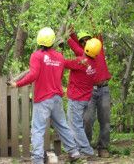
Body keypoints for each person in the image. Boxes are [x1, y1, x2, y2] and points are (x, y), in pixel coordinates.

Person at [8, 27, 80, 164]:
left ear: (39, 40)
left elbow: (33, 75)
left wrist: (17, 84)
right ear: (52, 41)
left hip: (42, 98)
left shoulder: (37, 56)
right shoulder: (60, 57)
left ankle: (37, 159)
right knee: (62, 126)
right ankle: (74, 152)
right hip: (57, 97)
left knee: (38, 129)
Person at [67, 28, 112, 158]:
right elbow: (72, 40)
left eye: (88, 39)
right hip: (90, 90)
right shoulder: (82, 55)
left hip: (104, 88)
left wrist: (91, 12)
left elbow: (97, 27)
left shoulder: (99, 50)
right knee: (87, 119)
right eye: (83, 41)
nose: (86, 42)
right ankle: (85, 148)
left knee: (105, 119)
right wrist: (70, 32)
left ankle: (103, 147)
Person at [64, 38, 102, 158]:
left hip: (76, 99)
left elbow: (64, 63)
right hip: (85, 99)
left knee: (75, 126)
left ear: (86, 47)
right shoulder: (93, 63)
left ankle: (86, 150)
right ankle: (80, 149)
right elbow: (77, 50)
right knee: (77, 125)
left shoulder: (80, 62)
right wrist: (68, 39)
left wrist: (53, 55)